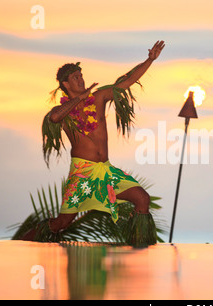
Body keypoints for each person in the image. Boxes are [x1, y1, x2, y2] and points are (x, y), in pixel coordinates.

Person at [22, 41, 165, 243]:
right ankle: (23, 243)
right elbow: (54, 118)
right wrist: (79, 98)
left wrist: (149, 60)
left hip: (105, 171)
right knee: (62, 222)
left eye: (81, 76)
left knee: (142, 199)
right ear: (66, 84)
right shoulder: (64, 112)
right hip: (82, 173)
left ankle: (138, 246)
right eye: (75, 77)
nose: (81, 79)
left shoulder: (97, 98)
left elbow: (126, 82)